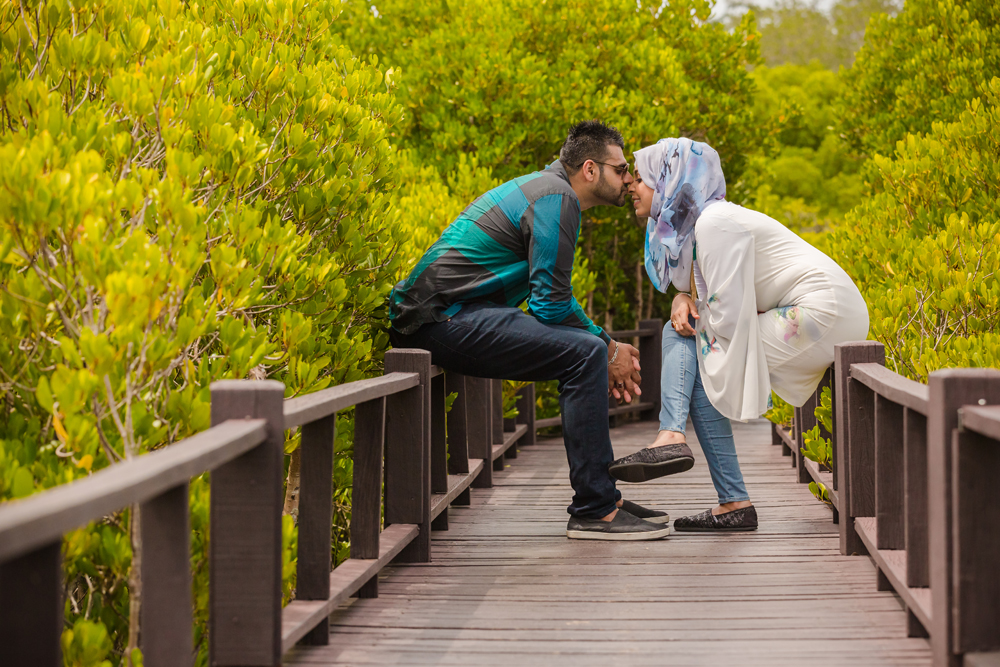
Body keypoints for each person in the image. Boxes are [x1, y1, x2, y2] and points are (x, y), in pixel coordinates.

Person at [388, 121, 671, 541]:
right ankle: (594, 508)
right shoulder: (555, 197)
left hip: (456, 314)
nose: (629, 179)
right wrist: (606, 349)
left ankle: (604, 500)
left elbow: (553, 297)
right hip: (437, 319)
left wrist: (606, 342)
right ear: (590, 170)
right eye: (621, 168)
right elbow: (550, 306)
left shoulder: (549, 190)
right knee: (584, 354)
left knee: (587, 349)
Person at [608, 138, 869, 532]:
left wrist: (687, 307)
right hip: (819, 312)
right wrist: (682, 297)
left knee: (687, 343)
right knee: (694, 354)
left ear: (670, 181)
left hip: (824, 311)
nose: (630, 185)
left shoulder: (715, 222)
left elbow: (726, 315)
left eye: (642, 178)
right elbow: (713, 302)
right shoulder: (701, 229)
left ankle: (672, 436)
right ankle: (732, 502)